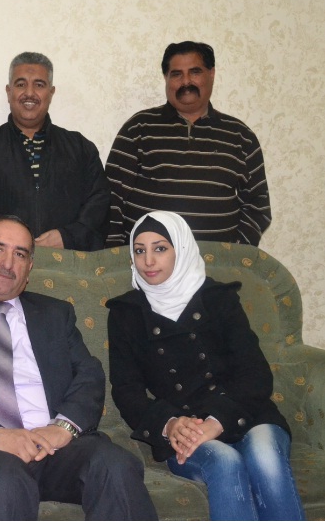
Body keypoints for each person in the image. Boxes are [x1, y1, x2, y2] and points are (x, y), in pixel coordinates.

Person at [0, 215, 157, 520]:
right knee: (4, 476)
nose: (7, 263)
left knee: (114, 464)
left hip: (54, 447)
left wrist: (63, 428)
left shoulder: (56, 314)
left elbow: (89, 375)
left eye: (20, 254)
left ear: (29, 268)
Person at [106, 210, 304, 521]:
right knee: (225, 462)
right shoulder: (125, 313)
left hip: (246, 412)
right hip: (185, 428)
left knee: (265, 456)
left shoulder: (218, 298)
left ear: (182, 249)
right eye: (139, 250)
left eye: (160, 248)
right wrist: (170, 424)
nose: (148, 261)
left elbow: (255, 374)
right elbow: (126, 389)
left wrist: (217, 421)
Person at [105, 41, 271, 247]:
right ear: (166, 78)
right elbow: (110, 198)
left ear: (211, 74)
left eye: (195, 72)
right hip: (147, 262)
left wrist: (234, 253)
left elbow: (258, 205)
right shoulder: (138, 128)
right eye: (176, 74)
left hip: (216, 263)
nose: (186, 82)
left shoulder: (240, 136)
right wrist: (118, 254)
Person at [0, 52, 110, 251]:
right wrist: (9, 243)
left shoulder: (80, 148)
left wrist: (68, 237)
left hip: (67, 261)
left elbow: (99, 204)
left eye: (39, 85)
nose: (29, 93)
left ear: (51, 92)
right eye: (21, 84)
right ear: (9, 92)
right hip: (4, 262)